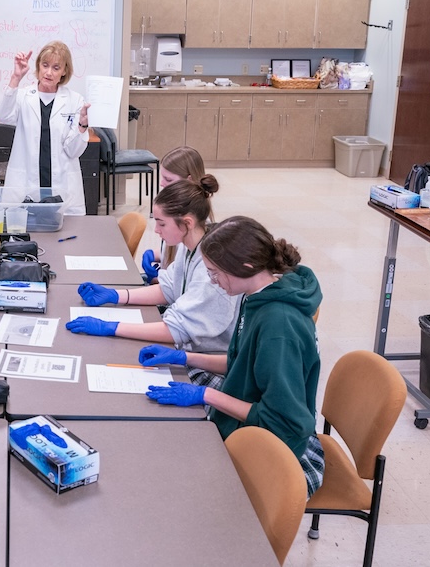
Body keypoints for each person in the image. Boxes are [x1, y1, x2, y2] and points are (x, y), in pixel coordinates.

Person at [138, 216, 325, 498]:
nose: (213, 282)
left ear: (246, 266)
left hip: (283, 450)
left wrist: (205, 395)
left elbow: (281, 421)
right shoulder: (257, 294)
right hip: (249, 414)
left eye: (215, 273)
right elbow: (243, 362)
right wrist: (183, 357)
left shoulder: (279, 326)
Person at [66, 176, 238, 387]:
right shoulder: (190, 244)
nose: (156, 231)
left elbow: (174, 330)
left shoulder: (210, 270)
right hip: (188, 348)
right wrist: (116, 295)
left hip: (209, 363)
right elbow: (168, 289)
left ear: (187, 223)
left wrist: (112, 327)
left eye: (161, 223)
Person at [0, 41, 91, 216]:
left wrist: (82, 126)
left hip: (61, 182)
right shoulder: (23, 96)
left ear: (64, 71)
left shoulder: (75, 100)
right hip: (25, 183)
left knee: (64, 236)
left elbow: (73, 150)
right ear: (38, 65)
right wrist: (15, 78)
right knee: (24, 231)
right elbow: (2, 114)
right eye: (45, 65)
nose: (48, 72)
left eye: (56, 67)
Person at [142, 145, 208, 282]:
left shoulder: (191, 226)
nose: (162, 184)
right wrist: (156, 255)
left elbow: (179, 281)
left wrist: (157, 279)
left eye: (169, 180)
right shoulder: (177, 219)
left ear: (189, 180)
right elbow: (177, 258)